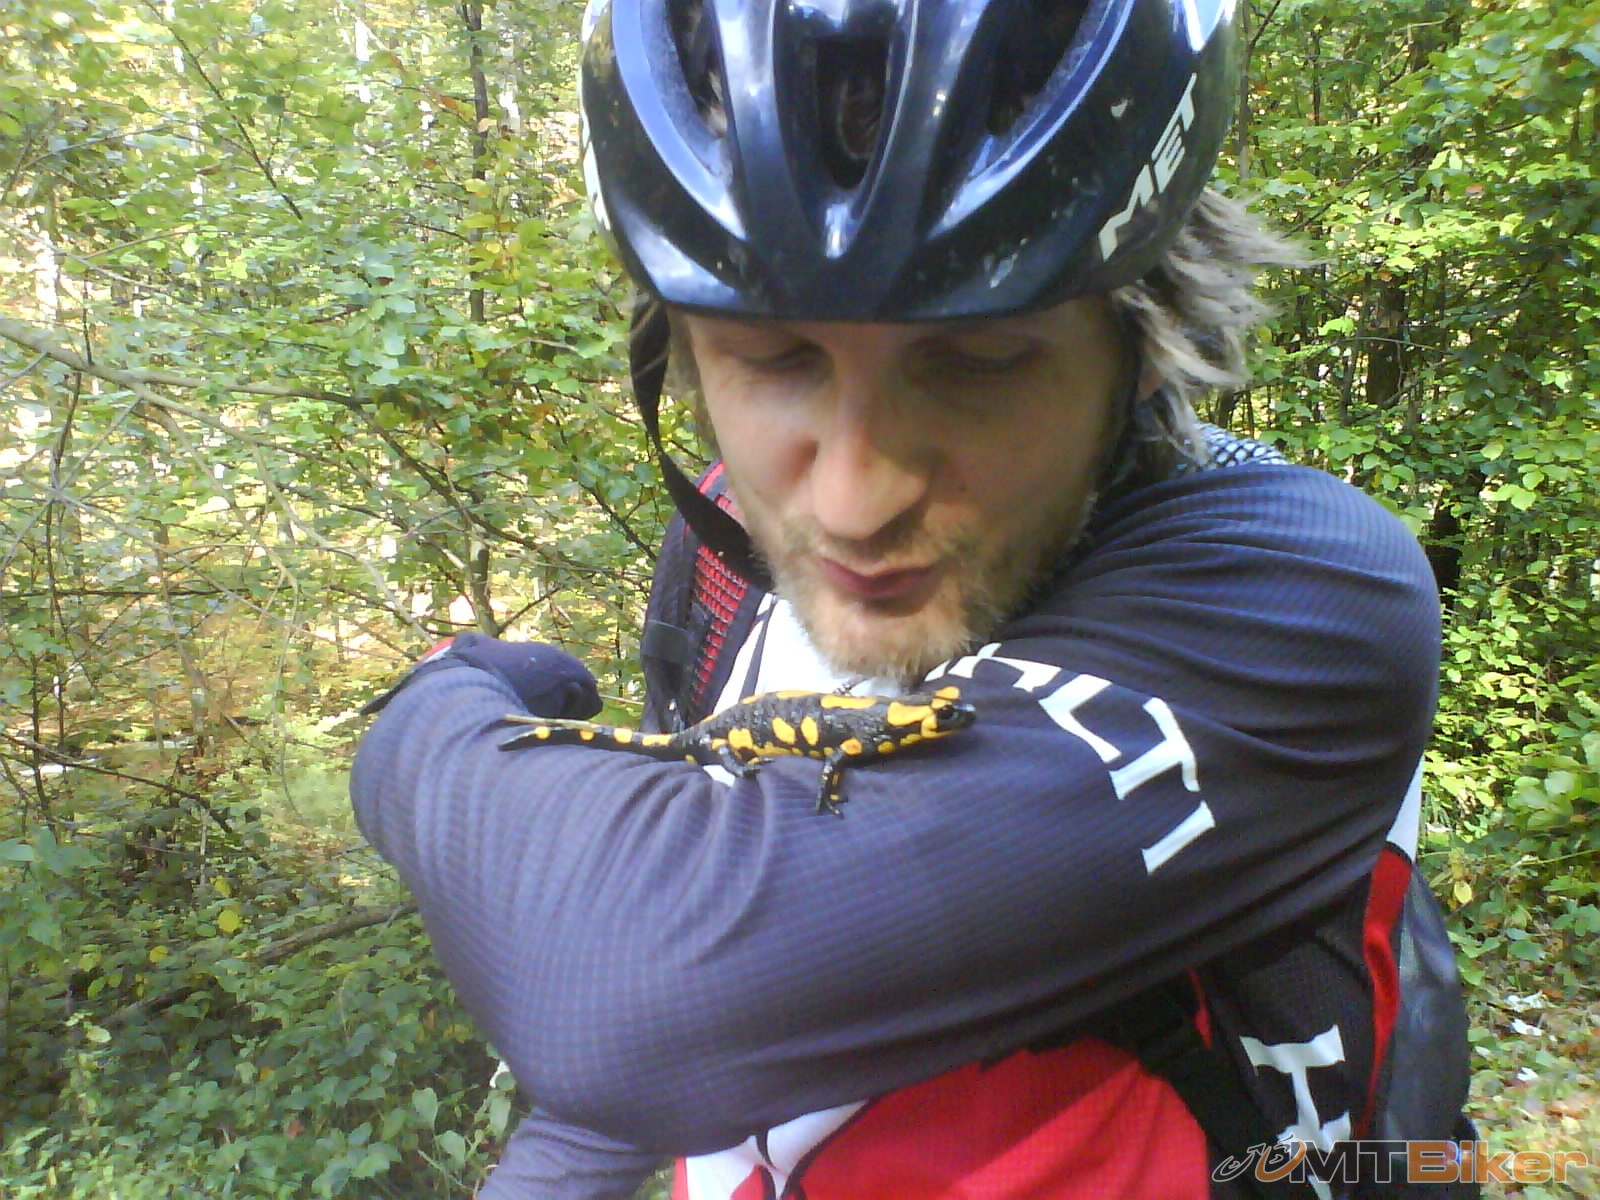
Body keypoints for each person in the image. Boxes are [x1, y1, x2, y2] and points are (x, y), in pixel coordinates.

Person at [351, 0, 1475, 1196]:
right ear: (673, 348)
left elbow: (638, 996)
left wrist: (429, 715)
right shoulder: (727, 551)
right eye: (770, 355)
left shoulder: (1299, 588)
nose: (851, 501)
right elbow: (636, 1016)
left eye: (978, 358)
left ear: (1142, 344)